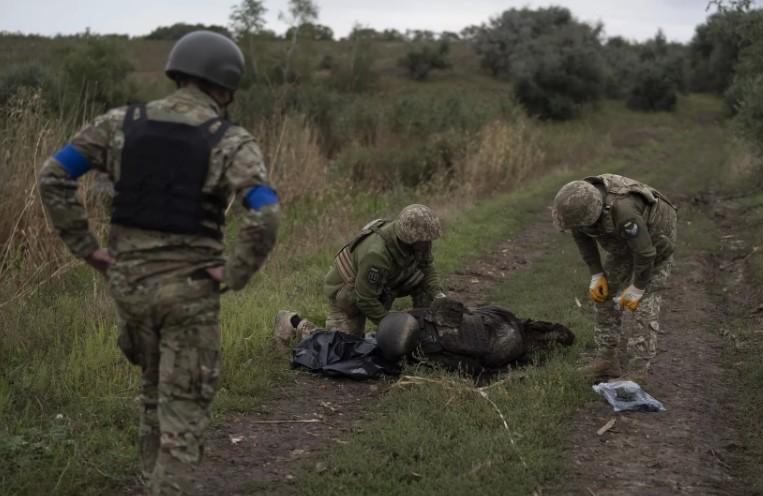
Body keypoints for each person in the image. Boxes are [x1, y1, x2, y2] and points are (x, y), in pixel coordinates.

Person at [38, 31, 279, 495]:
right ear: (225, 87)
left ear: (177, 72)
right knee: (182, 417)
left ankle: (150, 481)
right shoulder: (230, 140)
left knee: (152, 393)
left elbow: (53, 174)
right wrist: (235, 272)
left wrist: (86, 247)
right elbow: (265, 211)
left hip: (130, 290)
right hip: (189, 294)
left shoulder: (118, 123)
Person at [551, 174, 677, 379]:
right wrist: (596, 273)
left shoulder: (624, 210)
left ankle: (638, 372)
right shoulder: (580, 206)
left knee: (645, 302)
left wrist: (637, 287)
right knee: (603, 294)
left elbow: (645, 253)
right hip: (624, 243)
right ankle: (607, 360)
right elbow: (581, 235)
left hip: (655, 241)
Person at [276, 204, 444, 341]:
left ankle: (425, 334)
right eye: (424, 241)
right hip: (348, 292)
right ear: (408, 238)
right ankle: (292, 322)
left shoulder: (419, 243)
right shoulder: (377, 254)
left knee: (424, 287)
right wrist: (394, 327)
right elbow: (364, 298)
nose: (428, 244)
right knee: (341, 347)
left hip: (377, 285)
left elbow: (427, 268)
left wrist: (438, 296)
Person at [286, 297, 575, 375]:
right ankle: (547, 336)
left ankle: (544, 339)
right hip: (502, 320)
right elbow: (459, 309)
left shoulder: (434, 352)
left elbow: (475, 369)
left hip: (504, 343)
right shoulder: (426, 316)